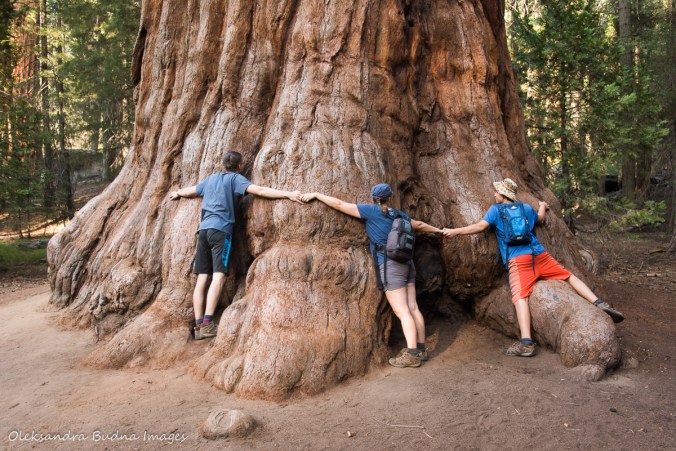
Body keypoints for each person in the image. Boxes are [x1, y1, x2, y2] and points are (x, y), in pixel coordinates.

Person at [442, 178, 624, 357]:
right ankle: (599, 303)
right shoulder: (526, 208)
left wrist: (454, 231)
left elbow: (480, 227)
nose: (494, 194)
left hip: (518, 260)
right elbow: (540, 218)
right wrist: (543, 206)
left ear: (503, 194)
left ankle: (526, 342)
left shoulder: (496, 211)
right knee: (568, 276)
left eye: (497, 191)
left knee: (520, 297)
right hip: (539, 255)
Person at [301, 184, 444, 368]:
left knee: (402, 311)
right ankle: (421, 349)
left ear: (373, 198)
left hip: (390, 265)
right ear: (390, 197)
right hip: (408, 263)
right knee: (413, 307)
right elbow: (421, 225)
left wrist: (316, 194)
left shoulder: (371, 211)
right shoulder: (401, 215)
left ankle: (412, 354)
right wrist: (440, 230)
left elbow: (338, 204)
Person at [169, 151, 302, 340]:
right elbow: (261, 191)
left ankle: (199, 325)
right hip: (221, 231)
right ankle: (207, 324)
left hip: (203, 231)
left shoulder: (211, 179)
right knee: (218, 276)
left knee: (201, 279)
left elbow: (192, 190)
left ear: (224, 164)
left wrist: (177, 193)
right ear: (239, 166)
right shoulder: (236, 180)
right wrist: (289, 194)